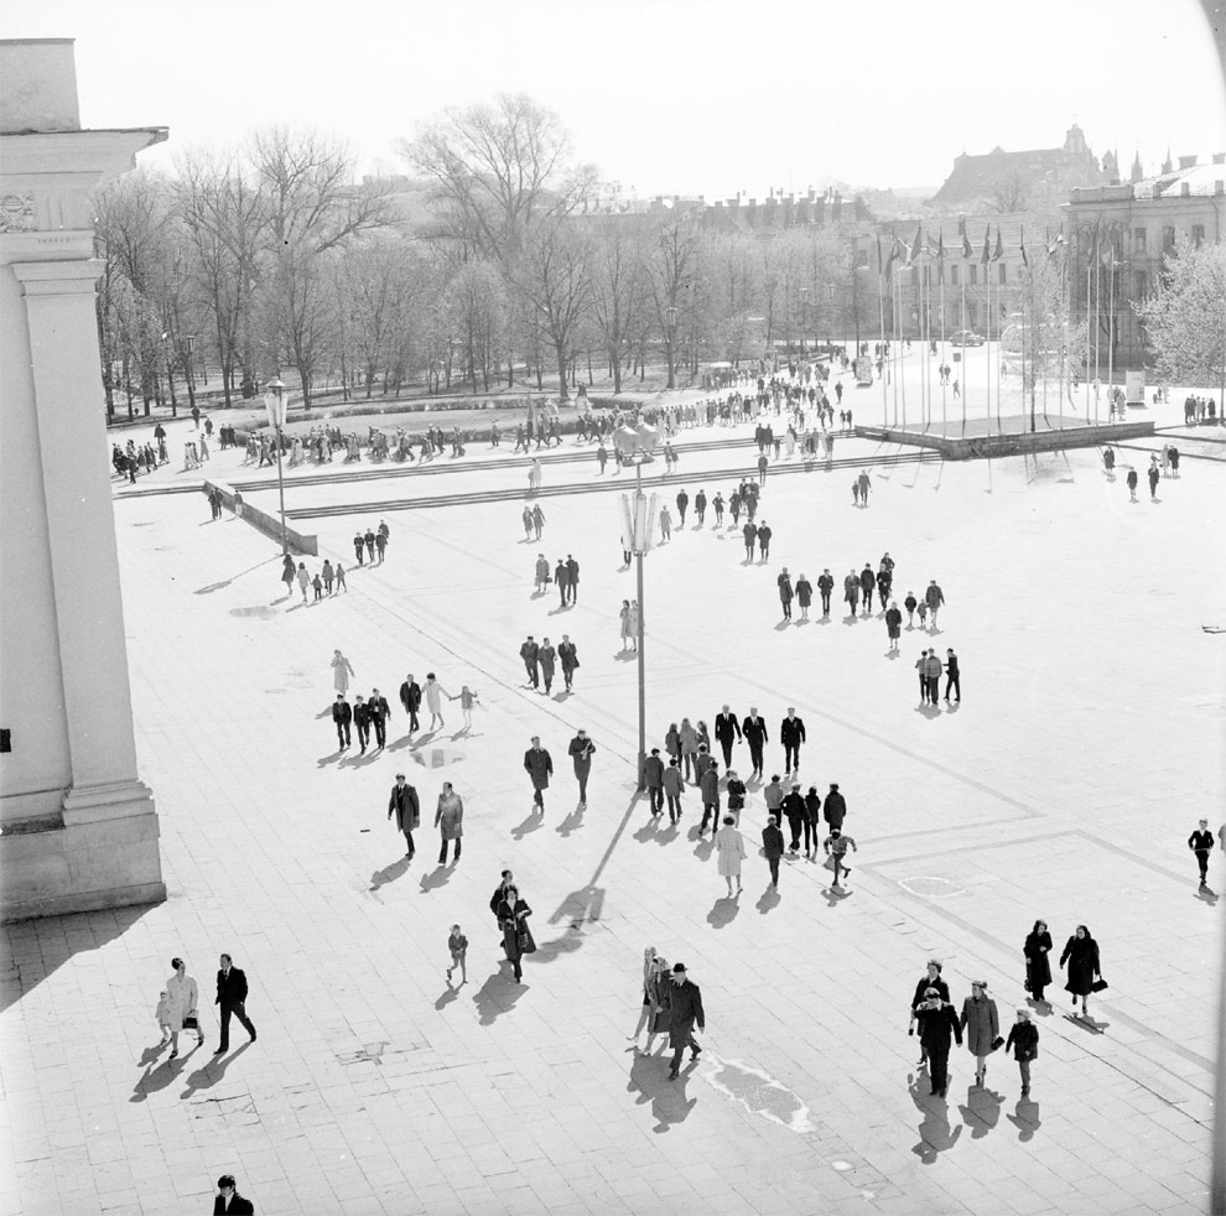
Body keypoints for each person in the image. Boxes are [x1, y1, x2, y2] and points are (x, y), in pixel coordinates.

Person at [916, 988, 961, 1098]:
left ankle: (942, 1087)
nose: (930, 1003)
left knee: (942, 1064)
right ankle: (935, 1087)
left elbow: (956, 1023)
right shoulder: (926, 1008)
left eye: (932, 1001)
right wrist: (925, 1007)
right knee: (933, 1065)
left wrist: (958, 1039)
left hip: (943, 1042)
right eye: (928, 1001)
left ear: (937, 998)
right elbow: (917, 1014)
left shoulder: (948, 1008)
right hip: (931, 1042)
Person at [663, 963, 705, 1080]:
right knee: (684, 1037)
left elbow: (698, 1007)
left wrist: (701, 1024)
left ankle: (675, 1070)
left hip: (687, 1020)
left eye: (679, 974)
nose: (677, 976)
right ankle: (695, 1048)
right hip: (675, 1018)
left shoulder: (693, 988)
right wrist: (663, 1006)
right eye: (676, 974)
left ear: (684, 974)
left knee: (679, 1043)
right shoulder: (671, 984)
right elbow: (667, 998)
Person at [959, 980, 1001, 1089]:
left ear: (981, 990)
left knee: (980, 1053)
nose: (973, 991)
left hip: (985, 1033)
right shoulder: (968, 1001)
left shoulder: (989, 1002)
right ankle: (982, 1066)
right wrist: (959, 1029)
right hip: (973, 1032)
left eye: (975, 989)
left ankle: (978, 1074)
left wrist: (995, 1033)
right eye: (972, 989)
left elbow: (994, 1019)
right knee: (979, 1052)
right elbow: (964, 1015)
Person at [908, 960, 950, 1065]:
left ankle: (932, 1057)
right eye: (929, 969)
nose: (931, 972)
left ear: (938, 971)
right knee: (923, 1035)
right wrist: (913, 1008)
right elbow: (917, 995)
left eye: (933, 970)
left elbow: (946, 1001)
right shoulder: (923, 981)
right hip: (924, 1012)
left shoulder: (942, 984)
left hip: (935, 1015)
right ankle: (923, 1056)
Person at [214, 953, 256, 1054]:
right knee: (224, 1025)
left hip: (236, 1002)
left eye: (224, 961)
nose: (222, 964)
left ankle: (252, 1033)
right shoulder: (220, 973)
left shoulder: (238, 973)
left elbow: (244, 988)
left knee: (243, 1019)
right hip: (224, 1003)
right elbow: (219, 986)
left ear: (230, 962)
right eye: (221, 962)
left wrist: (241, 1000)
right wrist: (219, 996)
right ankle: (223, 1046)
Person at [1059, 924, 1102, 1019]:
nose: (1079, 934)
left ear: (1085, 933)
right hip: (1074, 966)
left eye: (1081, 932)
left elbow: (1095, 957)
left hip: (1086, 969)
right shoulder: (1073, 939)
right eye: (1078, 932)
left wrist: (1097, 970)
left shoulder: (1092, 943)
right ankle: (1074, 995)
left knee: (1085, 988)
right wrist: (1062, 961)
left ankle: (1084, 1003)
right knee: (1074, 983)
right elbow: (1067, 951)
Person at [165, 958, 203, 1058]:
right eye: (181, 968)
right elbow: (168, 997)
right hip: (176, 1010)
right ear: (176, 969)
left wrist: (193, 1007)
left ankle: (201, 1036)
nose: (183, 969)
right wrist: (170, 1008)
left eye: (184, 967)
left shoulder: (190, 980)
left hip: (188, 1008)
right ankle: (175, 1049)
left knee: (194, 1024)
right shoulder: (170, 982)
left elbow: (195, 994)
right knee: (174, 1029)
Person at [497, 886, 534, 982]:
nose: (512, 896)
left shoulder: (520, 902)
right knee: (514, 954)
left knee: (520, 949)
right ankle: (518, 973)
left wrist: (523, 913)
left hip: (520, 930)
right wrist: (506, 920)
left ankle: (506, 946)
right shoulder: (502, 904)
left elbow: (529, 911)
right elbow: (499, 917)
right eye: (510, 894)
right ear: (506, 895)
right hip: (510, 931)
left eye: (513, 894)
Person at [1005, 1008, 1039, 1097]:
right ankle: (1027, 1080)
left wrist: (1029, 1050)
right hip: (1019, 1050)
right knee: (1023, 1067)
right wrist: (1008, 1047)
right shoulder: (1016, 1026)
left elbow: (1035, 1039)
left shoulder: (1032, 1028)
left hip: (1028, 1051)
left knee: (1024, 1067)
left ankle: (1025, 1086)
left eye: (1020, 1017)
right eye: (1018, 1017)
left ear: (1025, 1018)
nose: (1018, 1018)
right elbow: (1011, 1036)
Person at [388, 773, 420, 859]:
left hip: (408, 815)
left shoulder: (410, 789)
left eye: (401, 780)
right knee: (406, 832)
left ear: (404, 780)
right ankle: (412, 849)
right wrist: (389, 812)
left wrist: (417, 815)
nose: (400, 782)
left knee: (407, 832)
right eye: (398, 780)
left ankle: (411, 851)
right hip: (400, 815)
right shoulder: (394, 789)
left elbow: (416, 803)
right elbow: (392, 801)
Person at [714, 815, 746, 896]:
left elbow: (717, 845)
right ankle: (738, 885)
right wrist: (742, 854)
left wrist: (720, 849)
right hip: (734, 853)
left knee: (726, 871)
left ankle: (730, 887)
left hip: (724, 853)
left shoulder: (719, 832)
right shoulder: (737, 833)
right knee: (737, 870)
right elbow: (740, 845)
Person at [1024, 920, 1053, 1004]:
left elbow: (1050, 945)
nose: (1042, 930)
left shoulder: (1047, 935)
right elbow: (1026, 948)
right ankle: (1035, 994)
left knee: (1042, 978)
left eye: (1043, 929)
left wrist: (1045, 948)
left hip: (1043, 960)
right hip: (1033, 960)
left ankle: (1041, 993)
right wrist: (1028, 957)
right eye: (1040, 928)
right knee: (1035, 978)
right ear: (1036, 928)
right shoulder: (1031, 936)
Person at [435, 781, 464, 865]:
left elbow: (460, 810)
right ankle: (442, 859)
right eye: (443, 787)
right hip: (445, 822)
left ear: (450, 788)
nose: (443, 789)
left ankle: (457, 855)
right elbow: (439, 809)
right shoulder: (441, 796)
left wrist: (458, 822)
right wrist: (436, 820)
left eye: (445, 787)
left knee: (457, 839)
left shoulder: (456, 797)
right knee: (444, 840)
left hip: (454, 821)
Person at [523, 736, 553, 812]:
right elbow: (526, 764)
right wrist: (531, 771)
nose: (537, 743)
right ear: (532, 743)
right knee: (538, 788)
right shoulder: (528, 753)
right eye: (535, 742)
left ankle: (536, 797)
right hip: (535, 775)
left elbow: (549, 761)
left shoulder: (544, 751)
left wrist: (550, 770)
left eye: (538, 742)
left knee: (539, 788)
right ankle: (541, 804)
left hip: (543, 774)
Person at [568, 729, 596, 807]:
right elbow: (570, 752)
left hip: (586, 764)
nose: (583, 736)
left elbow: (594, 750)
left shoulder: (588, 740)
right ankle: (583, 795)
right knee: (580, 778)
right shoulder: (573, 741)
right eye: (581, 735)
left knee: (583, 780)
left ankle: (583, 799)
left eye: (584, 735)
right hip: (578, 764)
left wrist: (589, 750)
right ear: (578, 735)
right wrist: (580, 753)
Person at [742, 708, 767, 779]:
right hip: (751, 740)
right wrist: (747, 736)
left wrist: (766, 737)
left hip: (759, 740)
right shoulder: (747, 719)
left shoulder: (761, 719)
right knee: (753, 755)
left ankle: (761, 770)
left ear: (756, 712)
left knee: (760, 755)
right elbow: (743, 729)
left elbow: (764, 728)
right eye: (752, 711)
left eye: (755, 711)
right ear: (750, 712)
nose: (753, 712)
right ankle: (755, 767)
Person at [780, 708, 806, 775]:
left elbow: (802, 730)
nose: (790, 713)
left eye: (792, 712)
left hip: (796, 741)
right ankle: (788, 769)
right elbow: (782, 731)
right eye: (789, 712)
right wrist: (782, 741)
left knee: (796, 754)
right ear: (788, 712)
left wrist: (803, 739)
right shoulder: (785, 721)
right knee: (788, 755)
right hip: (787, 741)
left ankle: (796, 766)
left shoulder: (798, 720)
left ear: (794, 712)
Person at [762, 815, 785, 888]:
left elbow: (765, 842)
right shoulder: (778, 831)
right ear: (775, 821)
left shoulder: (764, 831)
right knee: (776, 866)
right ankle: (775, 880)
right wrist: (782, 852)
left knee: (771, 866)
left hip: (769, 851)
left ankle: (773, 876)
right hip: (776, 851)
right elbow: (781, 843)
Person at [1189, 819, 1214, 887]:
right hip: (1198, 850)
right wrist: (1191, 846)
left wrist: (1210, 846)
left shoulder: (1209, 833)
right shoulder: (1195, 832)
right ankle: (1203, 877)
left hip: (1206, 850)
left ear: (1206, 825)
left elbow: (1212, 841)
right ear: (1199, 824)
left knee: (1205, 863)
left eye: (1204, 824)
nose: (1203, 825)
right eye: (1202, 824)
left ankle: (1203, 874)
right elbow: (1190, 840)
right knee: (1200, 862)